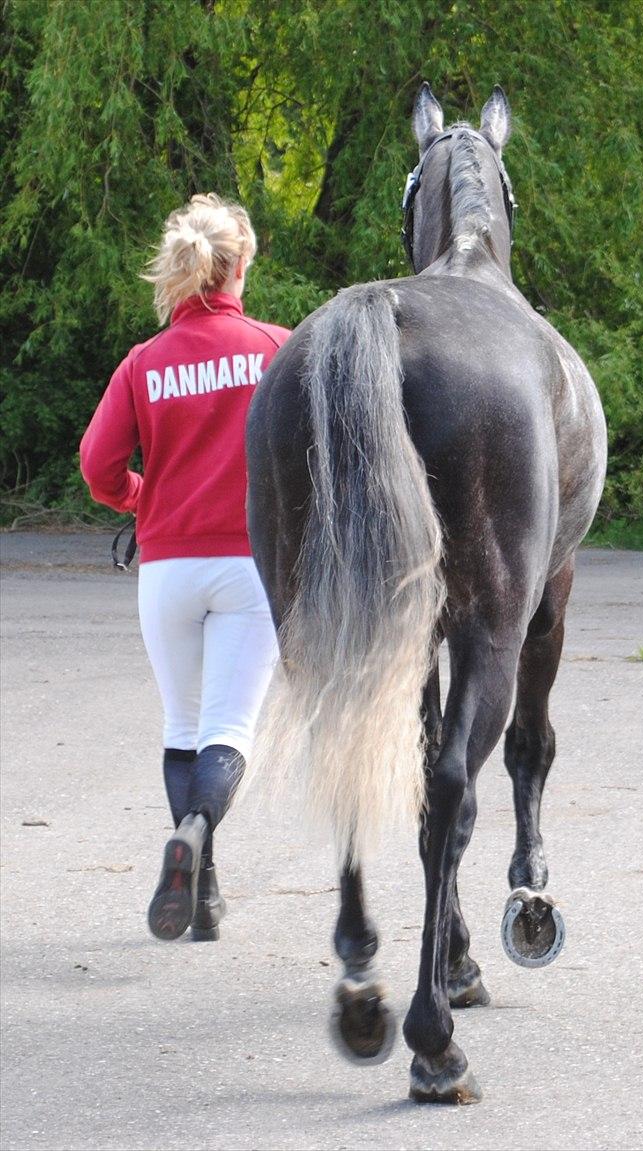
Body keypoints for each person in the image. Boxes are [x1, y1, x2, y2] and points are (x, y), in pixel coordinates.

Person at [80, 193, 289, 942]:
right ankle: (196, 833)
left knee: (183, 725)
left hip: (166, 567)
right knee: (228, 731)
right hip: (248, 567)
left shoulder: (142, 363)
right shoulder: (276, 348)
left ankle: (199, 895)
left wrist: (139, 499)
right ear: (240, 267)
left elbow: (97, 466)